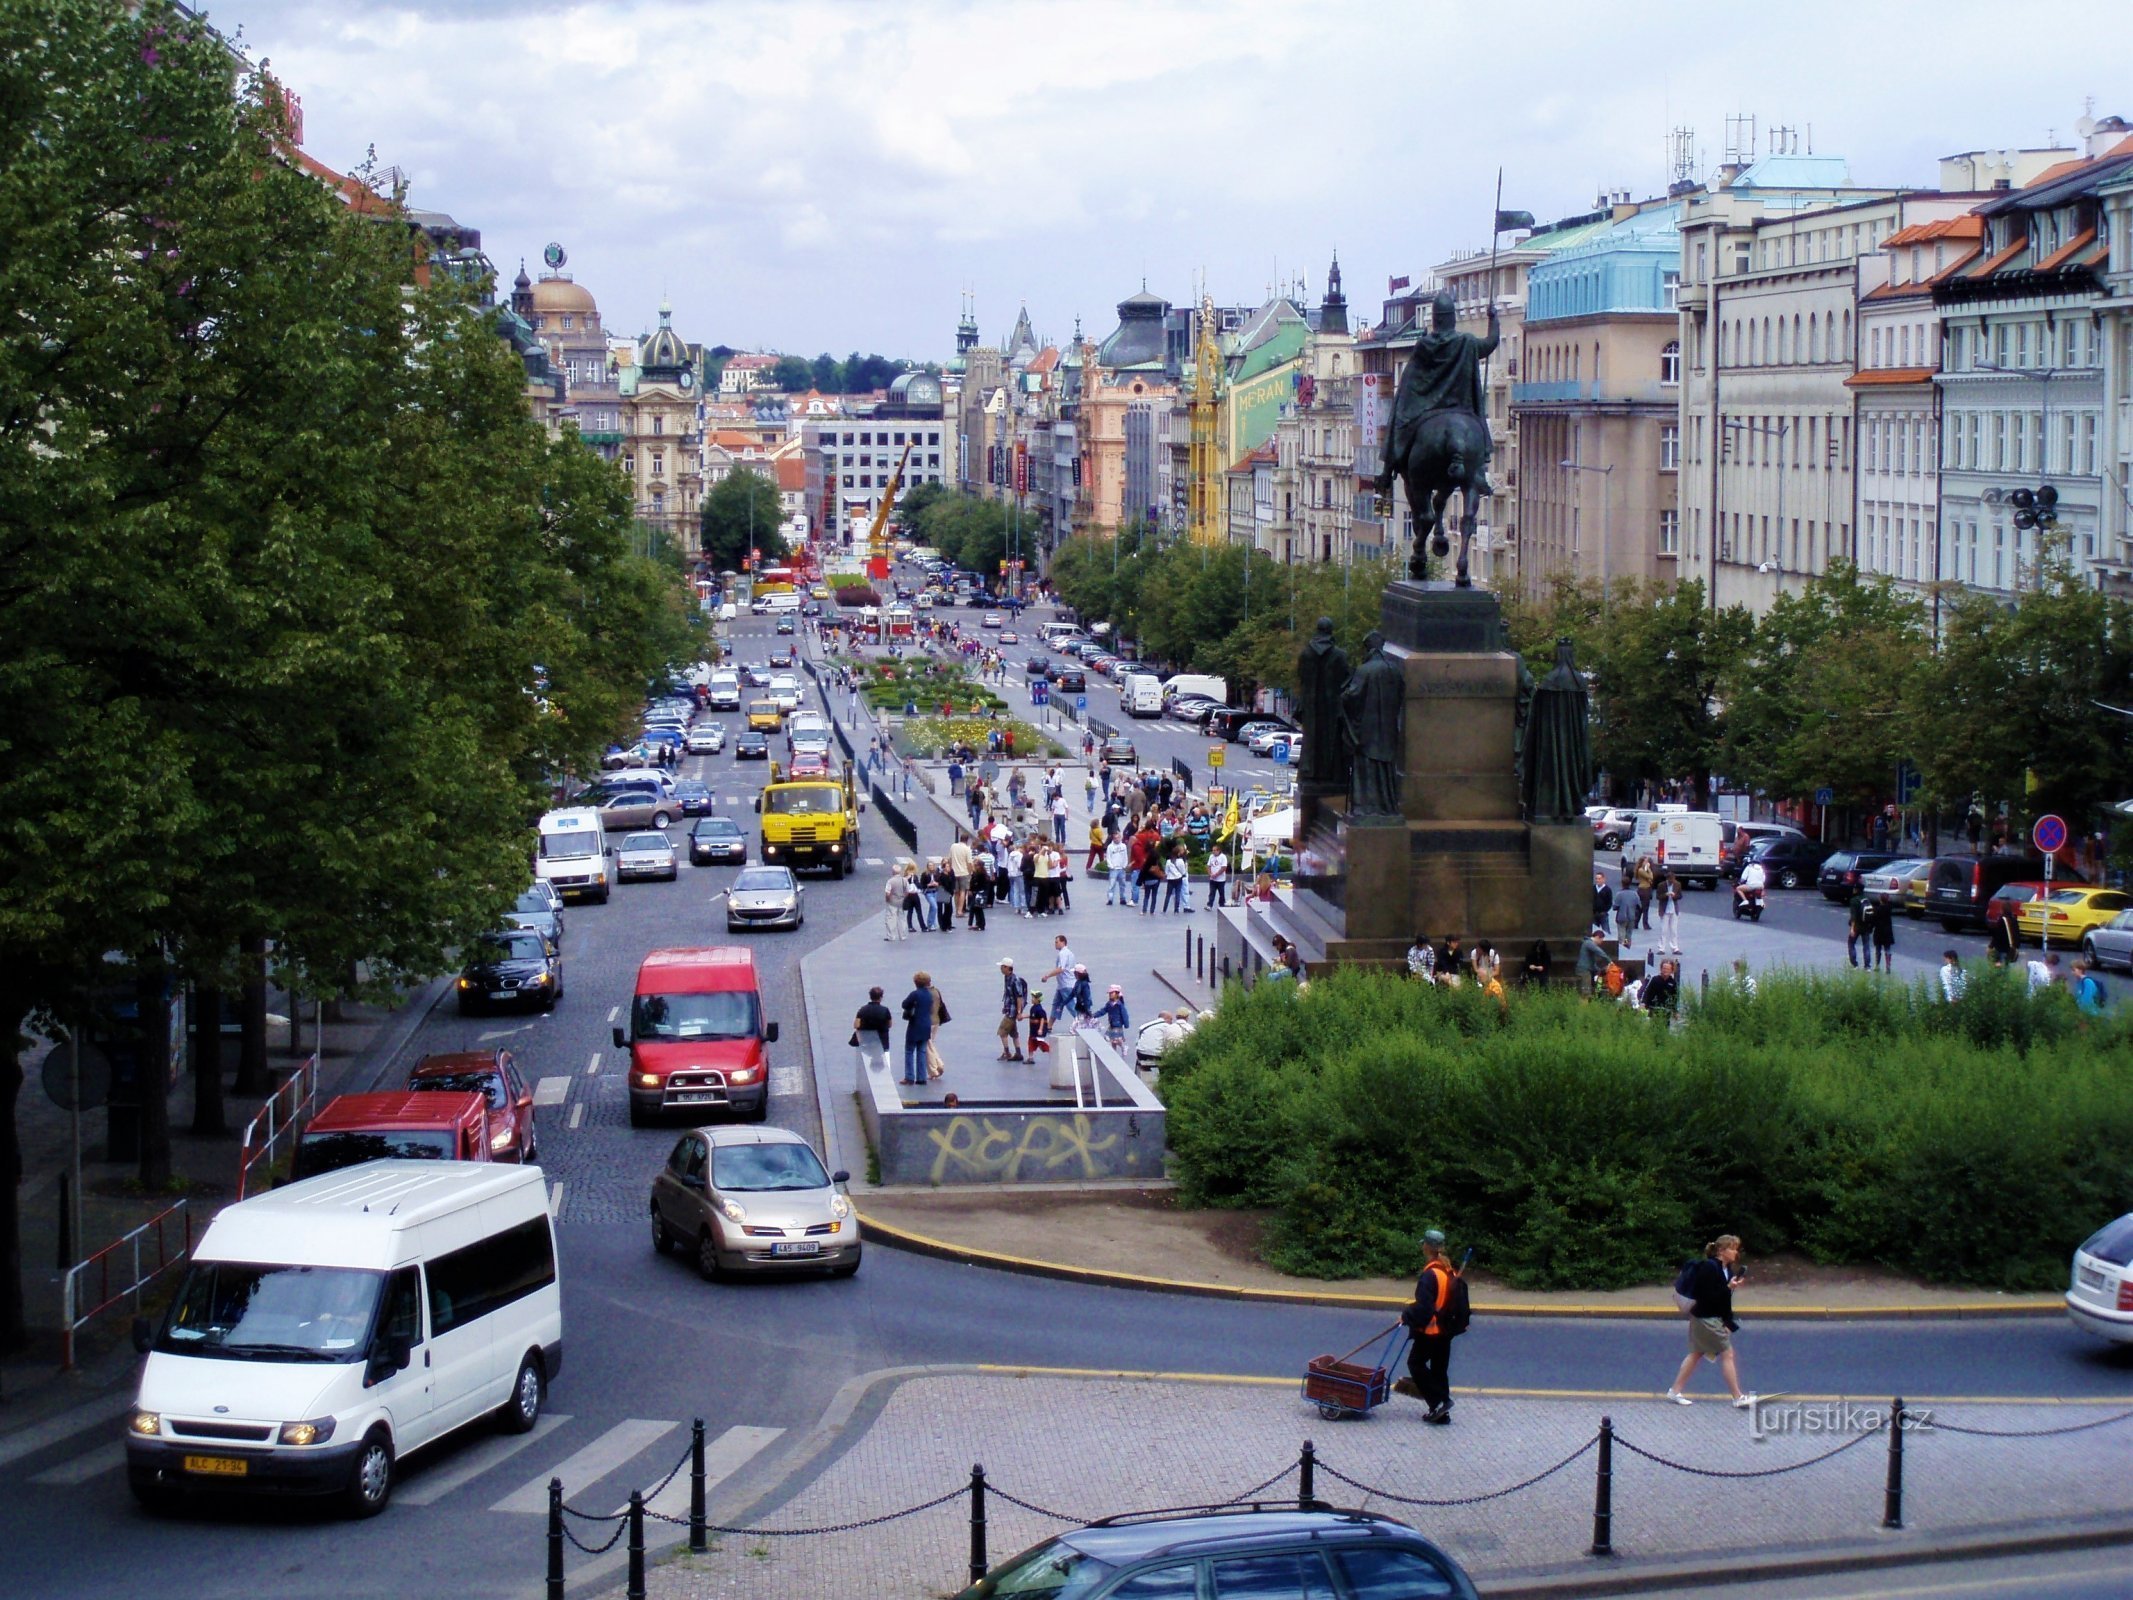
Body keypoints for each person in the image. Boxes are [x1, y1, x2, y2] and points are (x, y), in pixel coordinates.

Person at [1666, 1235, 1754, 1408]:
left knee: (1696, 1353)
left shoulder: (1726, 1269)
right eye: (1732, 1248)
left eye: (1736, 1248)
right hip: (1706, 1318)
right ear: (1721, 1251)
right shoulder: (1709, 1268)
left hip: (1709, 1318)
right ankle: (1737, 1397)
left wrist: (1728, 1320)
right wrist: (1728, 1288)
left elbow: (1723, 1299)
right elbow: (1706, 1297)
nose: (1736, 1252)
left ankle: (1674, 1391)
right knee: (1727, 1354)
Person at [1392, 1229, 1459, 1424]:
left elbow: (1424, 1308)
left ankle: (1439, 1402)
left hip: (1431, 1330)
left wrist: (1405, 1316)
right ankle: (1441, 1412)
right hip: (1446, 1330)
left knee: (1416, 1363)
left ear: (1427, 1247)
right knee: (1439, 1369)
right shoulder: (1448, 1270)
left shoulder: (1430, 1275)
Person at [899, 972, 936, 1086]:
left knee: (909, 1050)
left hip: (915, 1024)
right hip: (926, 1025)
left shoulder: (915, 994)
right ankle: (921, 1077)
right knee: (922, 1051)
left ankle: (909, 1077)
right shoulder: (930, 995)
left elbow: (904, 1004)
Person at [852, 987, 892, 1077]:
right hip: (882, 1042)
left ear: (870, 996)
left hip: (866, 1041)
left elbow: (856, 1025)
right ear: (881, 997)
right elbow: (889, 1024)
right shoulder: (885, 1010)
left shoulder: (862, 1009)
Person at [995, 958, 1028, 1061]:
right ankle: (1018, 1053)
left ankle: (1007, 1052)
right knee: (1013, 1032)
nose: (1000, 968)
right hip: (1010, 1009)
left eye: (1002, 966)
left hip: (1012, 1012)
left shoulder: (1015, 980)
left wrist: (1019, 1012)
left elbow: (1019, 997)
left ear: (1007, 968)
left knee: (1002, 1031)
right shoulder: (1007, 978)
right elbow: (1008, 995)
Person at [1040, 935, 1078, 1017]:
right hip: (1062, 985)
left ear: (1063, 942)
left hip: (1066, 985)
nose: (1055, 944)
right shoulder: (1070, 953)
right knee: (1056, 1006)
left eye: (1057, 942)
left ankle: (1082, 1024)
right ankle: (1049, 1026)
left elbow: (1061, 969)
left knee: (1071, 1007)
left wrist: (1047, 976)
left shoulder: (1063, 954)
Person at [1575, 926, 1610, 997]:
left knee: (1584, 992)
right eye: (1601, 940)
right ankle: (1584, 1007)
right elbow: (1599, 951)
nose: (1601, 943)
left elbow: (1592, 962)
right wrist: (1610, 961)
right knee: (1586, 993)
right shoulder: (1589, 943)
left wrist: (1599, 970)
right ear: (1597, 937)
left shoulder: (1587, 943)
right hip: (1584, 971)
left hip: (1584, 970)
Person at [1655, 869, 1683, 956]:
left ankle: (1675, 948)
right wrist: (1665, 895)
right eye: (1670, 880)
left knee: (1674, 930)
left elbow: (1680, 896)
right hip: (1665, 909)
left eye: (1673, 880)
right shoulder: (1661, 885)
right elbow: (1658, 896)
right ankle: (1661, 948)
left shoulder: (1677, 884)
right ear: (1667, 879)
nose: (1672, 882)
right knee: (1663, 930)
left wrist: (1675, 896)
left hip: (1674, 909)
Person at [1098, 984, 1131, 1054]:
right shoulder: (1109, 1004)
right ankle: (1114, 1052)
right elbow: (1103, 1011)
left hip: (1118, 1024)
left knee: (1116, 1039)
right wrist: (1095, 1015)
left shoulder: (1120, 1005)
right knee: (1111, 1039)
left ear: (1117, 994)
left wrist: (1126, 1024)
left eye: (1112, 993)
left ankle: (1123, 1047)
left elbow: (1125, 1015)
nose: (1110, 995)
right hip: (1112, 1024)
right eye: (1109, 993)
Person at [1987, 902, 2021, 967]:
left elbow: (1997, 935)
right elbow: (2017, 935)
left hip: (2001, 948)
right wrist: (2016, 947)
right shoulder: (2014, 920)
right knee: (2006, 967)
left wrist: (1990, 946)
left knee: (1998, 967)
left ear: (2002, 910)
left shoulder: (2002, 920)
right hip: (2010, 949)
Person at [1870, 892, 1896, 973]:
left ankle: (1877, 966)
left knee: (1878, 950)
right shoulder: (1889, 908)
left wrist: (1870, 928)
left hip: (1878, 932)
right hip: (1887, 932)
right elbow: (1891, 903)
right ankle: (1888, 966)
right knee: (1887, 949)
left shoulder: (1877, 909)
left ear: (1880, 900)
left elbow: (1873, 921)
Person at [1104, 831, 1132, 907]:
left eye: (1118, 837)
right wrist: (1111, 866)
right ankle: (1110, 899)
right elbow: (1108, 857)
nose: (1117, 839)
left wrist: (1124, 865)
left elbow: (1125, 856)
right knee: (1112, 885)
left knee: (1123, 884)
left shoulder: (1123, 846)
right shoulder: (1110, 847)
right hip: (1114, 869)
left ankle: (1122, 898)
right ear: (1113, 839)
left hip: (1121, 868)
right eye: (1115, 838)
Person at [883, 865, 910, 941]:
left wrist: (887, 900)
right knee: (901, 919)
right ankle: (903, 935)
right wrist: (904, 897)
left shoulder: (890, 881)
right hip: (901, 901)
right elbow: (908, 891)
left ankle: (891, 936)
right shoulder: (904, 880)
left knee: (891, 919)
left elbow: (887, 893)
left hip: (892, 902)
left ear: (893, 872)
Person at [1846, 886, 1870, 968]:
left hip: (1857, 926)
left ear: (1856, 890)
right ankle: (1867, 966)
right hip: (1866, 926)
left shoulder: (1854, 900)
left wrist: (1852, 929)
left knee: (1851, 943)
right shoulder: (1866, 899)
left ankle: (1854, 964)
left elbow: (1853, 916)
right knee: (1866, 946)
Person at [1161, 848, 1190, 914]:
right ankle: (1176, 910)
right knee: (1178, 894)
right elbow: (1183, 871)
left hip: (1170, 879)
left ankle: (1164, 909)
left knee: (1168, 894)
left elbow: (1166, 871)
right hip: (1178, 879)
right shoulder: (1181, 861)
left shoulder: (1168, 861)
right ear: (1178, 853)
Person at [1026, 995, 1052, 1061]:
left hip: (1038, 1030)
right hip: (1033, 1031)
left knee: (1041, 1044)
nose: (1031, 999)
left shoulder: (1039, 1009)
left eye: (1033, 998)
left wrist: (1040, 1029)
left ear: (1037, 1000)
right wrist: (1024, 1016)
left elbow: (1042, 1019)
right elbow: (1032, 1016)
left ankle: (1052, 1052)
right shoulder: (1033, 1008)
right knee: (1031, 1043)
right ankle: (1030, 1058)